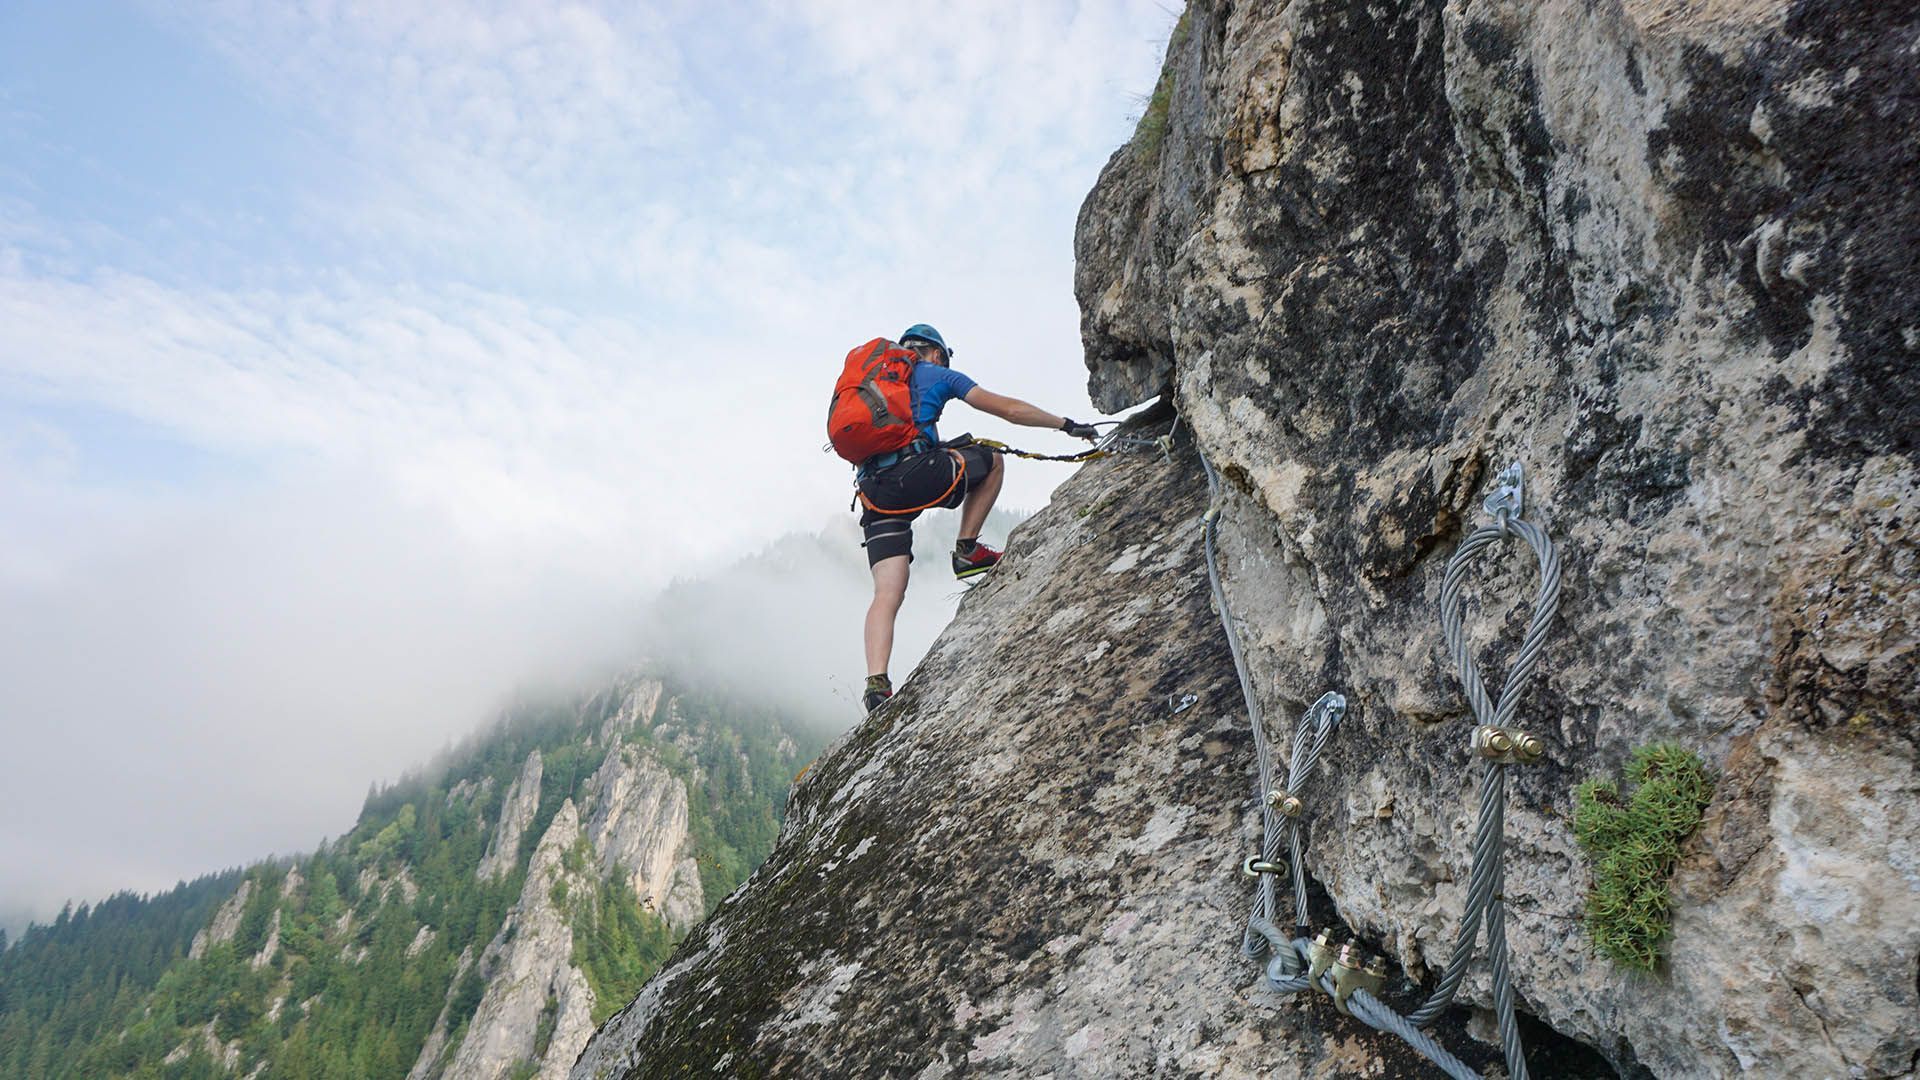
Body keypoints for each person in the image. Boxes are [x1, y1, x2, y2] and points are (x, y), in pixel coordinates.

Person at [856, 323, 1100, 713]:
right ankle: (966, 549)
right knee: (992, 459)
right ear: (936, 353)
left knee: (887, 592)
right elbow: (1008, 410)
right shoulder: (938, 373)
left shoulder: (874, 386)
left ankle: (876, 684)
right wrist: (1066, 424)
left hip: (873, 492)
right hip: (916, 476)